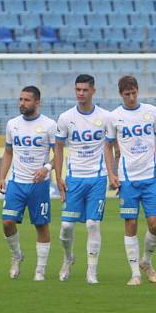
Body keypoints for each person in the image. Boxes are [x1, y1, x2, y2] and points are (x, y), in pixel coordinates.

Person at [105, 76, 156, 286]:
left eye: (133, 93)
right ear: (121, 94)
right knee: (130, 224)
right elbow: (108, 145)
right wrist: (111, 173)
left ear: (138, 91)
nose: (131, 98)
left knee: (155, 224)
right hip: (127, 179)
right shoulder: (114, 117)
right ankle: (135, 274)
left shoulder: (151, 111)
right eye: (126, 94)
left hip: (150, 177)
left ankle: (146, 261)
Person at [0, 86, 59, 281]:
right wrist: (2, 177)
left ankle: (40, 269)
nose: (22, 103)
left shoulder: (49, 125)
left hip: (38, 184)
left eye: (27, 100)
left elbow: (59, 154)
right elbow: (8, 151)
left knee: (41, 226)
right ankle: (16, 255)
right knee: (7, 222)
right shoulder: (12, 124)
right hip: (16, 182)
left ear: (37, 102)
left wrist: (46, 168)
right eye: (21, 99)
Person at [53, 74, 111, 284]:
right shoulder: (65, 118)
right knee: (66, 227)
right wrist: (58, 177)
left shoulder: (106, 117)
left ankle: (92, 272)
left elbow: (113, 145)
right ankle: (68, 258)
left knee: (92, 224)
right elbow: (58, 148)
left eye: (85, 90)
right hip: (74, 179)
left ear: (93, 91)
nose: (81, 93)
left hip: (97, 178)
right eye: (78, 89)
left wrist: (113, 172)